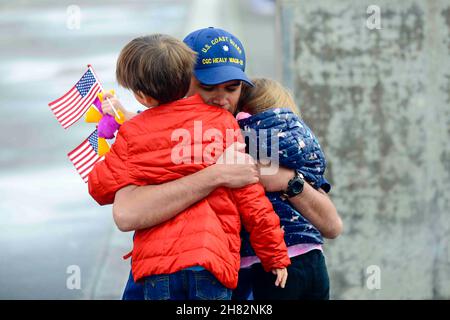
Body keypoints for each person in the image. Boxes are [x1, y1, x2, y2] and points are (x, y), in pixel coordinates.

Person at [101, 27, 342, 300]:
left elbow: (331, 225)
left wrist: (288, 181)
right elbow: (126, 214)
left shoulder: (255, 126)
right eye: (207, 86)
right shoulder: (155, 131)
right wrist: (216, 175)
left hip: (245, 279)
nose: (221, 98)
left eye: (232, 87)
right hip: (172, 277)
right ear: (181, 80)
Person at [233, 78, 333, 300]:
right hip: (313, 255)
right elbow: (331, 220)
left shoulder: (246, 135)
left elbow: (333, 224)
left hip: (269, 263)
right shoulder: (302, 138)